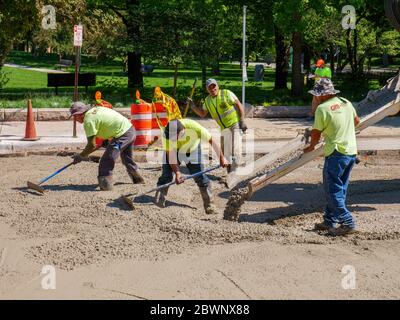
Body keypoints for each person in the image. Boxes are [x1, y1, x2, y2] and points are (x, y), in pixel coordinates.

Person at [304, 78, 360, 237]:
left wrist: (311, 147)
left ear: (320, 95)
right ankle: (330, 220)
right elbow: (357, 121)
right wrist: (340, 129)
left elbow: (316, 133)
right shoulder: (346, 103)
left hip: (335, 154)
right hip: (350, 152)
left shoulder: (322, 109)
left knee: (332, 190)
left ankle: (347, 221)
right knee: (340, 188)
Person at [154, 119, 229, 214]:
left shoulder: (194, 127)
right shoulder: (166, 135)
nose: (173, 139)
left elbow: (212, 140)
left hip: (192, 150)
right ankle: (158, 201)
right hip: (175, 151)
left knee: (200, 177)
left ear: (183, 130)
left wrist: (221, 158)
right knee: (166, 175)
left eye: (175, 137)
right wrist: (177, 172)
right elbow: (171, 155)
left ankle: (210, 205)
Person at [70, 101, 144, 191]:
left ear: (80, 114)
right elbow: (106, 121)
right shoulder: (95, 109)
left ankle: (105, 185)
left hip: (122, 135)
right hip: (129, 129)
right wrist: (105, 139)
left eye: (75, 116)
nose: (75, 119)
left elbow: (91, 145)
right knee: (127, 158)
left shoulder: (89, 120)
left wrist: (80, 156)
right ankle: (138, 179)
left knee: (107, 159)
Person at [188, 78, 247, 173]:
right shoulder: (207, 101)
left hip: (235, 125)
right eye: (210, 87)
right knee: (225, 154)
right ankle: (230, 172)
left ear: (217, 86)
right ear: (207, 89)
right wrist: (193, 107)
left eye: (214, 86)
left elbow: (238, 104)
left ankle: (234, 174)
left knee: (236, 150)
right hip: (224, 129)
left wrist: (242, 120)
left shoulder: (226, 93)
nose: (212, 89)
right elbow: (202, 114)